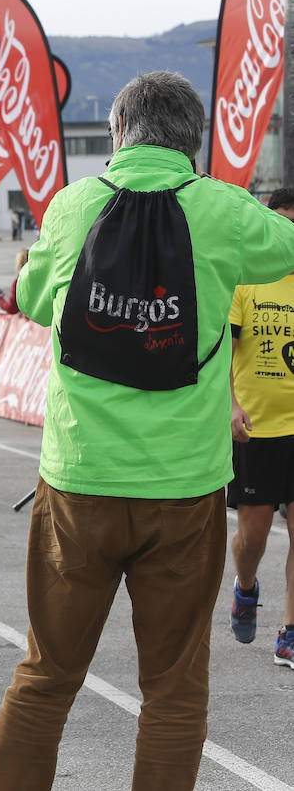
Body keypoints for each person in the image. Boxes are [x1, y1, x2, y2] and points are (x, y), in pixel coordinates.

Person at [0, 72, 294, 790]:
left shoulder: (73, 204)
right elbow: (288, 247)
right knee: (174, 692)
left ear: (119, 132)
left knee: (46, 676)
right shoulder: (223, 210)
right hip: (184, 493)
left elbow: (30, 300)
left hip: (79, 485)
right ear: (194, 141)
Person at [227, 186, 294, 667]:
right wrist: (229, 404)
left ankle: (289, 631)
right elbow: (223, 353)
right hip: (256, 429)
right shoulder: (245, 282)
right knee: (254, 536)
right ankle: (246, 587)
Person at [0, 250, 30, 315]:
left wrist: (0, 299)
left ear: (19, 263)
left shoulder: (20, 281)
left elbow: (12, 308)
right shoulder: (44, 277)